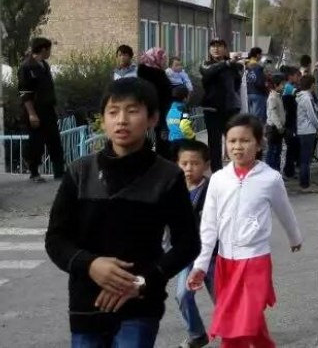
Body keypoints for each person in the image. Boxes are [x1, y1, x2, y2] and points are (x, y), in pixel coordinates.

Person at [45, 77, 201, 347]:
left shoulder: (167, 176)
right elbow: (56, 239)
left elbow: (188, 243)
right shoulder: (80, 172)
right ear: (102, 120)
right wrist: (91, 265)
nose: (122, 120)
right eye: (113, 112)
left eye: (132, 111)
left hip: (140, 304)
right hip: (87, 304)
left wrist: (143, 281)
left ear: (152, 118)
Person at [187, 114, 303, 347]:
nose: (237, 147)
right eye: (232, 141)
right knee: (247, 321)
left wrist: (294, 237)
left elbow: (285, 211)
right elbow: (209, 224)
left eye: (244, 141)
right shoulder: (219, 179)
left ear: (259, 144)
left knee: (241, 323)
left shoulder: (270, 178)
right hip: (225, 262)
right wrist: (200, 264)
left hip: (255, 261)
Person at [172, 140, 217, 348]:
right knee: (182, 295)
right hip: (187, 254)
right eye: (184, 163)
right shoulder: (173, 189)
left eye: (195, 163)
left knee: (222, 298)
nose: (189, 168)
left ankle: (236, 331)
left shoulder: (214, 189)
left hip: (213, 255)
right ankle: (197, 334)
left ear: (206, 165)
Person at [17, 37, 65, 181]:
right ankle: (34, 173)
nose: (50, 52)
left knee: (55, 140)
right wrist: (32, 114)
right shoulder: (26, 67)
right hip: (35, 111)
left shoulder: (44, 65)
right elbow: (24, 93)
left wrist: (54, 107)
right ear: (44, 49)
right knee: (36, 143)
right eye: (49, 49)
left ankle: (60, 172)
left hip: (48, 110)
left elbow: (49, 89)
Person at [200, 39, 244, 172]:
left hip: (231, 109)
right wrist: (226, 63)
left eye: (219, 46)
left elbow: (237, 83)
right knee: (215, 144)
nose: (215, 49)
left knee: (235, 141)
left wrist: (232, 63)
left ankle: (237, 171)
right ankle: (217, 174)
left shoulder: (234, 66)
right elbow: (208, 72)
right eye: (212, 46)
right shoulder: (205, 64)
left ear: (225, 49)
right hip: (212, 110)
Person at [137, 48, 174, 157]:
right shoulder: (155, 74)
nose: (164, 61)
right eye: (162, 58)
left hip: (152, 112)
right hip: (159, 113)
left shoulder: (144, 72)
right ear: (155, 58)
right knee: (162, 143)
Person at [296, 76, 318, 194]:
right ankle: (305, 185)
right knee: (306, 159)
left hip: (302, 129)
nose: (315, 86)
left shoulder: (300, 97)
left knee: (304, 158)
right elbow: (311, 115)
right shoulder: (306, 98)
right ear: (311, 85)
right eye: (314, 84)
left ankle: (305, 183)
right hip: (308, 130)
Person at [264, 73, 287, 173]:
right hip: (273, 129)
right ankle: (270, 171)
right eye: (282, 84)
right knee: (272, 151)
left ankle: (276, 172)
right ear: (276, 85)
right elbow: (273, 114)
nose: (284, 86)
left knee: (277, 151)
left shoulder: (277, 96)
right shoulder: (273, 97)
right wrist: (279, 126)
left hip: (277, 128)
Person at [166, 85, 196, 160]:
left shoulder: (170, 110)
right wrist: (192, 136)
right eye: (188, 95)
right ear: (185, 98)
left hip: (171, 141)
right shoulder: (183, 110)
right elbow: (184, 127)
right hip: (183, 142)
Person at [245, 47, 268, 125]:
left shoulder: (245, 64)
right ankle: (256, 134)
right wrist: (265, 87)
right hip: (258, 93)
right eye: (260, 54)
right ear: (257, 55)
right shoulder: (257, 66)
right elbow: (259, 82)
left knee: (251, 117)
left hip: (248, 93)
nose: (261, 56)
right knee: (258, 118)